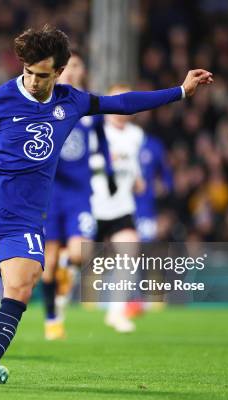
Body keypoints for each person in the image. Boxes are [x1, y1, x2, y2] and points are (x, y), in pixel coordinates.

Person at [0, 25, 213, 384]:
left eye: (42, 75)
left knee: (21, 286)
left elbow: (122, 104)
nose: (33, 82)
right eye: (28, 73)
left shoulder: (72, 101)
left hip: (24, 219)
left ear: (59, 72)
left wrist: (180, 91)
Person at [41, 50, 115, 340]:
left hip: (79, 193)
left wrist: (108, 172)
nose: (71, 71)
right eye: (66, 66)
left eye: (76, 66)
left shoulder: (87, 104)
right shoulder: (48, 103)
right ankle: (52, 318)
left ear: (82, 71)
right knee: (47, 262)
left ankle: (64, 280)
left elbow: (104, 142)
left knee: (77, 251)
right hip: (50, 193)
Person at [91, 84, 147, 333]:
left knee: (129, 251)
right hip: (92, 206)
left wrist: (137, 179)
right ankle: (55, 311)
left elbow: (132, 163)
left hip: (121, 207)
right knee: (71, 259)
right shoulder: (95, 131)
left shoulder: (136, 135)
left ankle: (116, 313)